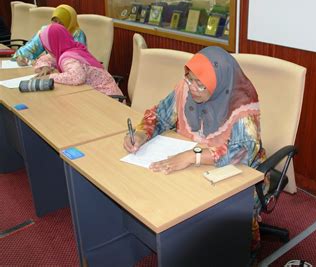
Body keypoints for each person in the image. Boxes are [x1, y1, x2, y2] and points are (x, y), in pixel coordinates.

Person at [123, 46, 266, 250]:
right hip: (192, 164)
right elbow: (160, 115)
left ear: (218, 82)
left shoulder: (241, 102)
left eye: (201, 84)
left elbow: (242, 151)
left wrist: (193, 156)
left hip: (238, 171)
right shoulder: (185, 87)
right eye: (190, 79)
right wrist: (140, 133)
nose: (192, 87)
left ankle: (239, 252)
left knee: (223, 213)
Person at [33, 23, 123, 97]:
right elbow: (45, 58)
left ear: (52, 44)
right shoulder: (70, 47)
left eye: (46, 44)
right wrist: (45, 66)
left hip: (107, 98)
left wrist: (50, 77)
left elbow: (77, 77)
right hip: (97, 94)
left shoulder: (68, 58)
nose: (46, 47)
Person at [13, 4, 87, 66]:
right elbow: (30, 48)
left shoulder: (77, 34)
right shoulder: (46, 31)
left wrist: (48, 62)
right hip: (46, 70)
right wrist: (21, 56)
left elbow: (78, 59)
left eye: (61, 23)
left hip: (70, 72)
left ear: (69, 23)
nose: (57, 25)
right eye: (54, 21)